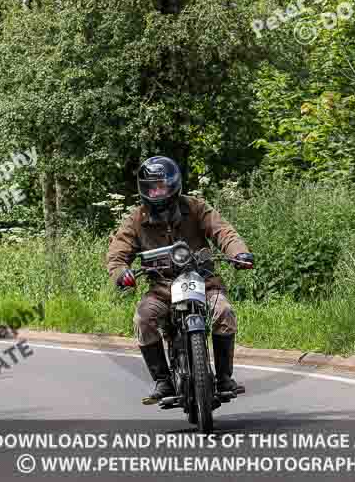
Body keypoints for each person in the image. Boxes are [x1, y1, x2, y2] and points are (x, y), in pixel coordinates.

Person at [107, 156, 254, 404]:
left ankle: (224, 377)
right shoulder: (136, 219)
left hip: (203, 281)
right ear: (144, 189)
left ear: (174, 185)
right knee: (143, 318)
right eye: (151, 186)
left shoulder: (195, 207)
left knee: (224, 311)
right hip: (162, 288)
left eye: (162, 186)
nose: (157, 192)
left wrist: (238, 253)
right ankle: (163, 380)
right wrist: (121, 272)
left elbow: (223, 231)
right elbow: (117, 252)